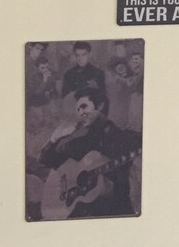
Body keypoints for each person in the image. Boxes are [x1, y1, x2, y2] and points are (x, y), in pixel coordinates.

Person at [36, 86, 141, 219]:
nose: (80, 113)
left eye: (84, 107)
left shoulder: (124, 137)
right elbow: (45, 160)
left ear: (100, 105)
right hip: (81, 215)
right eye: (78, 110)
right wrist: (54, 138)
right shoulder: (81, 141)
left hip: (116, 213)